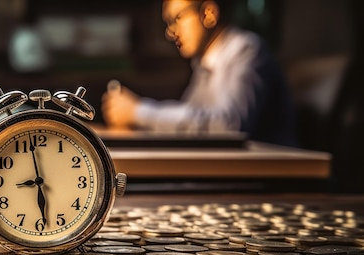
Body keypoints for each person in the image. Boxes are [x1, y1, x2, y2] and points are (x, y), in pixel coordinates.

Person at [101, 0, 297, 146]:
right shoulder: (204, 61)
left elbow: (229, 125)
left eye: (176, 18)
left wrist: (138, 112)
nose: (170, 32)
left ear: (208, 14)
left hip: (273, 178)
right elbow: (192, 126)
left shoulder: (246, 49)